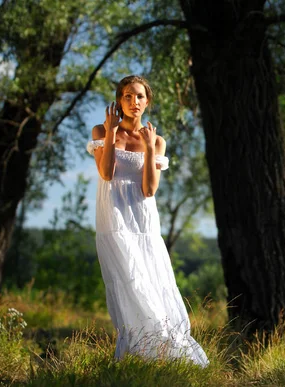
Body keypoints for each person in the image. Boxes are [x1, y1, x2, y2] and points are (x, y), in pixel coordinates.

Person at [86, 75, 208, 366]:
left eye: (139, 97)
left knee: (151, 279)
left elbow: (149, 190)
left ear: (147, 101)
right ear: (119, 101)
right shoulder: (102, 130)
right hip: (113, 216)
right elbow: (106, 173)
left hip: (143, 220)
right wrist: (112, 134)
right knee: (126, 278)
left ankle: (163, 347)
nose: (133, 102)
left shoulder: (158, 140)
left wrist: (151, 147)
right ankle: (134, 350)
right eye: (127, 96)